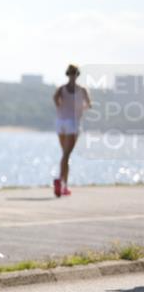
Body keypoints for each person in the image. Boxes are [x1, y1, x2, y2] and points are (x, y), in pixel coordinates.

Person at [52, 64, 92, 197]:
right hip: (72, 124)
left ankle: (64, 186)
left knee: (65, 154)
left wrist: (61, 108)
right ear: (77, 74)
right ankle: (59, 181)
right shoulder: (82, 90)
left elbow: (55, 100)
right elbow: (89, 105)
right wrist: (80, 109)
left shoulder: (61, 89)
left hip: (60, 122)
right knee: (66, 155)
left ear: (67, 74)